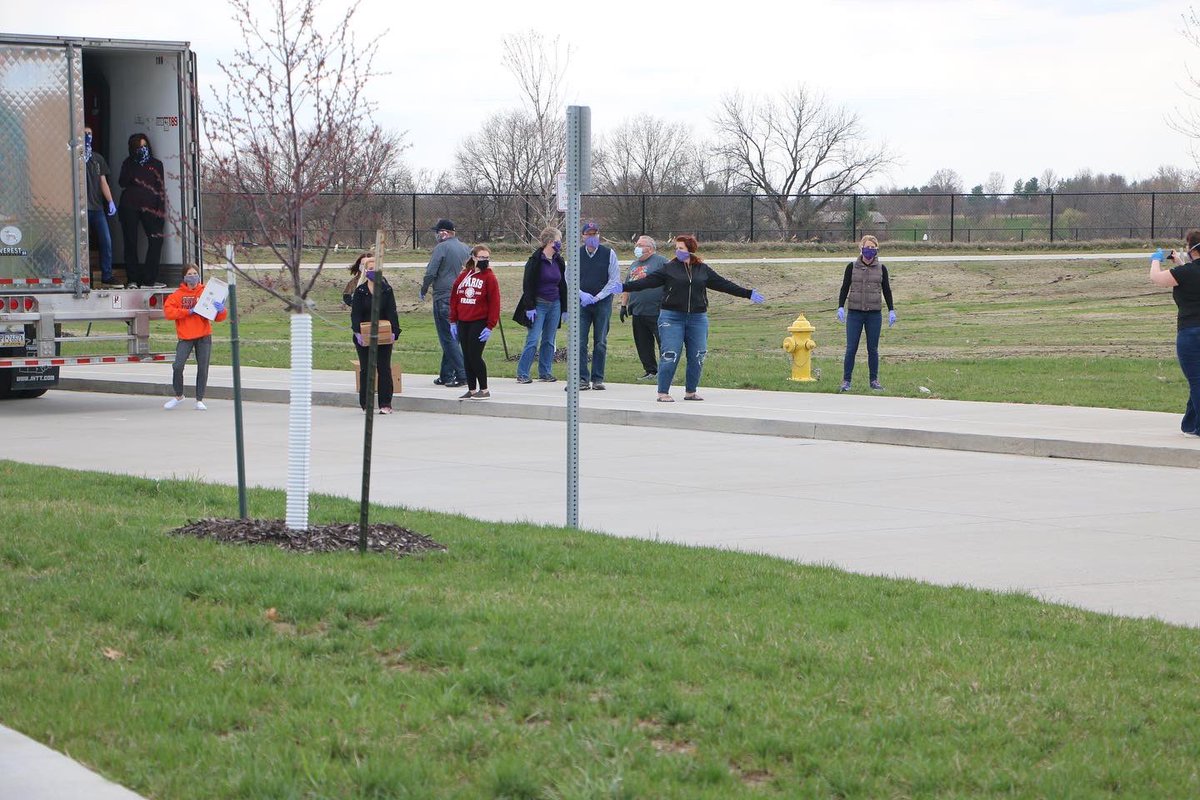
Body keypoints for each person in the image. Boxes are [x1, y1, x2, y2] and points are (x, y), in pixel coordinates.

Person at [619, 234, 764, 402]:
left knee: (698, 354)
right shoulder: (669, 268)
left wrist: (748, 294)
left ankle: (691, 391)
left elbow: (724, 284)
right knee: (670, 353)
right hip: (671, 317)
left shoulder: (702, 269)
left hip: (697, 318)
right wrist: (624, 286)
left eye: (681, 248)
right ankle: (663, 392)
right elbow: (647, 282)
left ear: (690, 250)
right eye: (676, 248)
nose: (677, 251)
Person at [1150, 232, 1200, 436]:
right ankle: (1191, 424)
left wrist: (1156, 260)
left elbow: (1157, 278)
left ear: (1192, 248)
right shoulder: (1185, 271)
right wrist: (1178, 261)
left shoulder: (1185, 272)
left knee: (1196, 379)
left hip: (1190, 332)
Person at [835, 234, 896, 392]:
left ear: (876, 250)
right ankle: (846, 380)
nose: (869, 251)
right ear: (861, 248)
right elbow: (844, 287)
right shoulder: (851, 267)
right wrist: (841, 306)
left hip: (874, 314)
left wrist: (891, 310)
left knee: (873, 349)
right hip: (855, 313)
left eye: (872, 248)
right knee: (851, 348)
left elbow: (887, 290)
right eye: (866, 248)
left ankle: (874, 380)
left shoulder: (881, 269)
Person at [163, 264, 227, 410]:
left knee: (203, 368)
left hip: (204, 336)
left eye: (195, 273)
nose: (193, 276)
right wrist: (187, 312)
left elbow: (218, 317)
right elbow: (169, 312)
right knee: (178, 366)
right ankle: (178, 395)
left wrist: (221, 310)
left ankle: (199, 399)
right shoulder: (177, 295)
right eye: (190, 274)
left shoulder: (206, 292)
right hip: (186, 336)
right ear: (184, 277)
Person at [515, 227, 568, 384]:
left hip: (555, 304)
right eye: (558, 240)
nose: (560, 243)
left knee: (549, 339)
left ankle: (545, 372)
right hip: (539, 304)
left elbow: (562, 285)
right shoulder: (535, 261)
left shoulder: (558, 260)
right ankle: (522, 373)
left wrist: (564, 308)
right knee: (533, 339)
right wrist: (530, 306)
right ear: (551, 241)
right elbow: (528, 285)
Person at [349, 254, 401, 414]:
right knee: (366, 368)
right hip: (364, 336)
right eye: (370, 269)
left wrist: (394, 332)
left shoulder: (386, 290)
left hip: (383, 335)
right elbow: (355, 314)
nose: (373, 272)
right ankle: (366, 403)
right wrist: (357, 331)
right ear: (366, 271)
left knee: (383, 367)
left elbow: (392, 312)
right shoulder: (360, 291)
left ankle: (385, 403)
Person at [420, 218, 469, 387]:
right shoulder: (465, 248)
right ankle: (446, 374)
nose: (436, 235)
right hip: (463, 297)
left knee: (447, 337)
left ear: (444, 233)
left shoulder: (441, 248)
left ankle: (463, 373)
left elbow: (431, 272)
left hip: (444, 296)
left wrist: (424, 288)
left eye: (437, 232)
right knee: (454, 336)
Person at [449, 245, 501, 399]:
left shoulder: (489, 277)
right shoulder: (465, 275)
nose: (484, 260)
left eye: (487, 258)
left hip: (479, 321)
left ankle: (484, 389)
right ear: (474, 257)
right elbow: (455, 297)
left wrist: (490, 325)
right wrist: (453, 321)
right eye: (481, 257)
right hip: (463, 321)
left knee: (475, 355)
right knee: (466, 355)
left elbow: (494, 303)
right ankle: (472, 389)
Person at [117, 132, 166, 289]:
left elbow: (160, 188)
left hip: (150, 206)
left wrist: (161, 210)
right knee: (131, 242)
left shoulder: (156, 164)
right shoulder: (128, 163)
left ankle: (148, 278)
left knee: (156, 239)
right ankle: (133, 279)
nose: (143, 149)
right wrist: (135, 163)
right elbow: (122, 182)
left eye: (145, 146)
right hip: (129, 205)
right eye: (139, 147)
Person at [576, 220, 621, 390]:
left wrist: (598, 297)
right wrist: (581, 294)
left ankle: (597, 378)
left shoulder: (609, 253)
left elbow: (614, 280)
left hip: (602, 303)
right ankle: (582, 378)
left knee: (600, 341)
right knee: (580, 341)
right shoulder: (576, 253)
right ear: (583, 236)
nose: (592, 237)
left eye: (595, 234)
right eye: (589, 234)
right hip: (582, 303)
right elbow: (569, 278)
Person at [619, 234, 667, 381]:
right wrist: (623, 305)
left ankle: (665, 372)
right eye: (636, 245)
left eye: (640, 245)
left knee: (663, 342)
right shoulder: (634, 265)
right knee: (643, 343)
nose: (636, 248)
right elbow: (627, 286)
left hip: (656, 311)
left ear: (650, 248)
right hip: (638, 311)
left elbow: (673, 280)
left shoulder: (661, 262)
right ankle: (650, 370)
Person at [83, 126, 119, 288]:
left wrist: (110, 201)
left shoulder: (97, 159)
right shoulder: (74, 157)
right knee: (80, 244)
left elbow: (103, 181)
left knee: (106, 240)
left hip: (97, 208)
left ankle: (107, 275)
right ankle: (80, 277)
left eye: (90, 134)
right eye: (84, 134)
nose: (88, 137)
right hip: (80, 209)